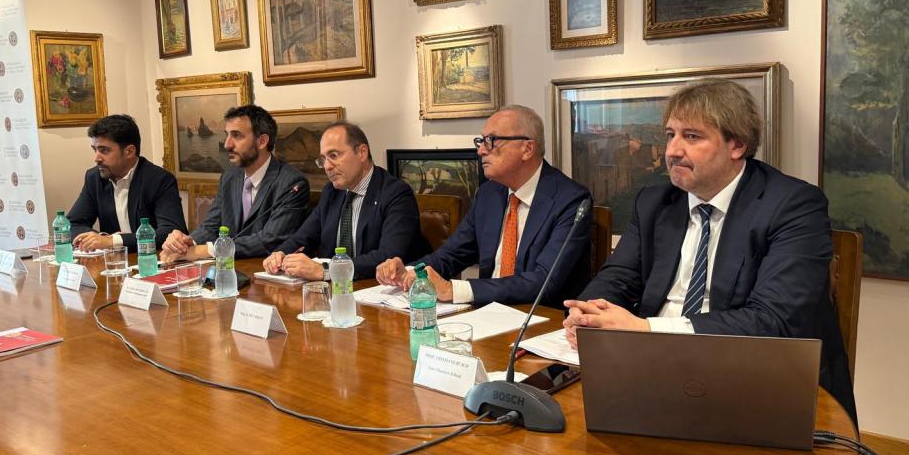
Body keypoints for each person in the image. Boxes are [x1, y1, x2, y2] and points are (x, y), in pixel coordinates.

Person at [561, 80, 856, 420]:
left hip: (754, 379)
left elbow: (774, 322)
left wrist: (645, 330)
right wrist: (589, 313)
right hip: (650, 372)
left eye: (692, 136)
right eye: (670, 134)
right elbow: (618, 276)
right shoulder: (655, 202)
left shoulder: (792, 205)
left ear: (737, 145)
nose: (672, 150)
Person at [376, 105, 592, 307]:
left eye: (491, 141)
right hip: (486, 315)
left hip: (540, 322)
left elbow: (543, 282)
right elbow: (452, 253)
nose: (480, 151)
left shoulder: (571, 201)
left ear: (527, 149)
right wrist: (411, 271)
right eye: (480, 141)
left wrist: (454, 290)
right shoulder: (489, 194)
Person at [263, 123, 430, 281]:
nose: (327, 166)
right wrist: (280, 253)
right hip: (337, 292)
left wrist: (327, 271)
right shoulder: (332, 192)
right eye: (323, 159)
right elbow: (303, 237)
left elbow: (388, 256)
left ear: (362, 152)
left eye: (334, 155)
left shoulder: (396, 193)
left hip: (379, 289)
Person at [161, 105, 309, 263]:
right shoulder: (229, 177)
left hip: (265, 272)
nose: (227, 145)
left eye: (237, 136)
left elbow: (270, 239)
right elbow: (211, 226)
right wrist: (185, 243)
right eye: (227, 135)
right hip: (227, 272)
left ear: (262, 141)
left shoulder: (292, 183)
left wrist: (207, 250)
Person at [67, 114, 186, 252]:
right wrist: (100, 239)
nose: (97, 158)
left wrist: (113, 241)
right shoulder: (94, 178)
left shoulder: (159, 180)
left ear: (129, 151)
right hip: (114, 263)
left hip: (153, 261)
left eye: (104, 150)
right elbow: (72, 224)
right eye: (95, 149)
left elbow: (170, 232)